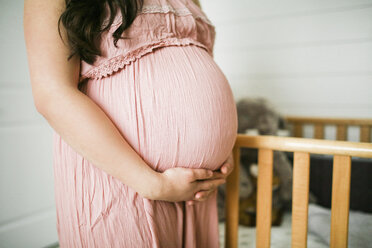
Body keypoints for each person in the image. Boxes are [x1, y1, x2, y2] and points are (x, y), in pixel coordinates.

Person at [24, 0, 238, 247]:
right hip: (121, 180)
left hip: (194, 191)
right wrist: (153, 185)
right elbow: (52, 94)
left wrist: (222, 141)